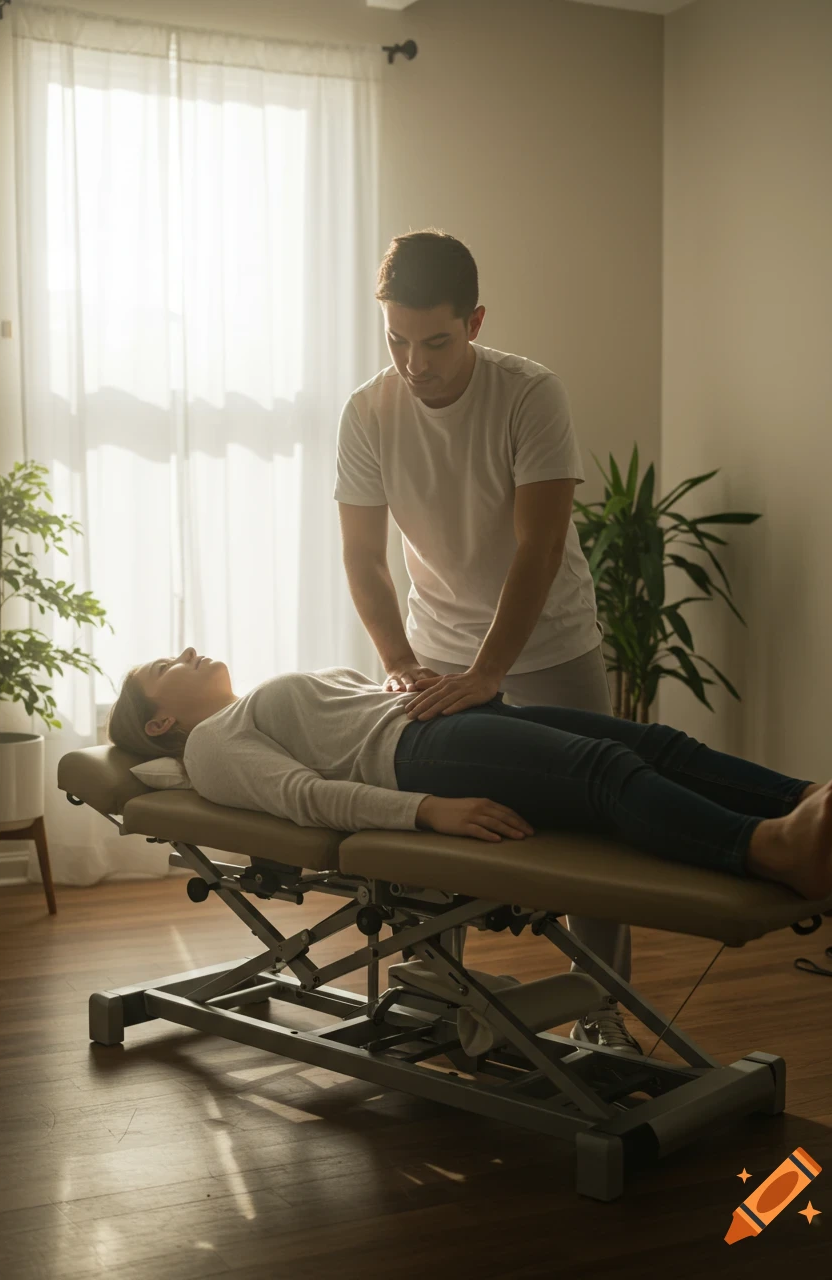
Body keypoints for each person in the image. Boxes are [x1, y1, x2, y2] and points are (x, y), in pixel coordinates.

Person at [334, 229, 632, 1051]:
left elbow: (538, 546)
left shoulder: (529, 394)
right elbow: (362, 557)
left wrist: (491, 671)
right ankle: (437, 992)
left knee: (592, 835)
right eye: (396, 339)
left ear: (474, 321)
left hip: (550, 644)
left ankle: (603, 1010)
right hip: (434, 650)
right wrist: (400, 664)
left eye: (435, 340)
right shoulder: (368, 411)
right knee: (432, 826)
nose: (414, 362)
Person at [106, 649, 832, 930]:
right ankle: (767, 849)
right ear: (162, 716)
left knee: (656, 743)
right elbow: (307, 797)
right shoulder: (209, 746)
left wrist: (411, 681)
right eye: (164, 664)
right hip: (418, 756)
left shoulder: (235, 716)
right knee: (606, 772)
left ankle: (820, 806)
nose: (190, 649)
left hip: (442, 717)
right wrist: (425, 812)